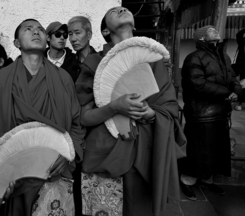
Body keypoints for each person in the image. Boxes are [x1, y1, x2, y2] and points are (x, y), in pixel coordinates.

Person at [75, 6, 186, 216]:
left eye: (124, 9)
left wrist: (150, 113)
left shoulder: (154, 61)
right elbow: (83, 117)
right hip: (104, 152)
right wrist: (114, 107)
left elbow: (169, 109)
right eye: (114, 11)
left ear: (134, 25)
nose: (122, 9)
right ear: (106, 31)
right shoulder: (94, 63)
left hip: (144, 151)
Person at [0, 18, 85, 216]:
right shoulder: (1, 81)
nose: (36, 32)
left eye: (40, 29)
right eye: (28, 29)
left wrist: (68, 153)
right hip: (16, 174)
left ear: (46, 40)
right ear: (17, 43)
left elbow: (76, 124)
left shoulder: (63, 79)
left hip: (56, 171)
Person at [179, 25, 242, 201]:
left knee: (216, 149)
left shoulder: (224, 56)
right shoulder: (194, 58)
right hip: (201, 113)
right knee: (198, 150)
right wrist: (226, 93)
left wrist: (237, 91)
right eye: (210, 30)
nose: (214, 30)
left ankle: (207, 180)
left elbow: (232, 78)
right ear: (200, 38)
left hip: (220, 112)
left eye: (215, 29)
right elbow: (196, 83)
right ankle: (187, 181)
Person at [66, 16, 97, 83]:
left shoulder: (100, 61)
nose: (73, 39)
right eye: (70, 34)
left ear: (89, 35)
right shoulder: (67, 63)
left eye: (77, 33)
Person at [232, 28, 245, 110]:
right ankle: (239, 102)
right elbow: (239, 34)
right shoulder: (242, 42)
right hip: (242, 67)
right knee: (241, 85)